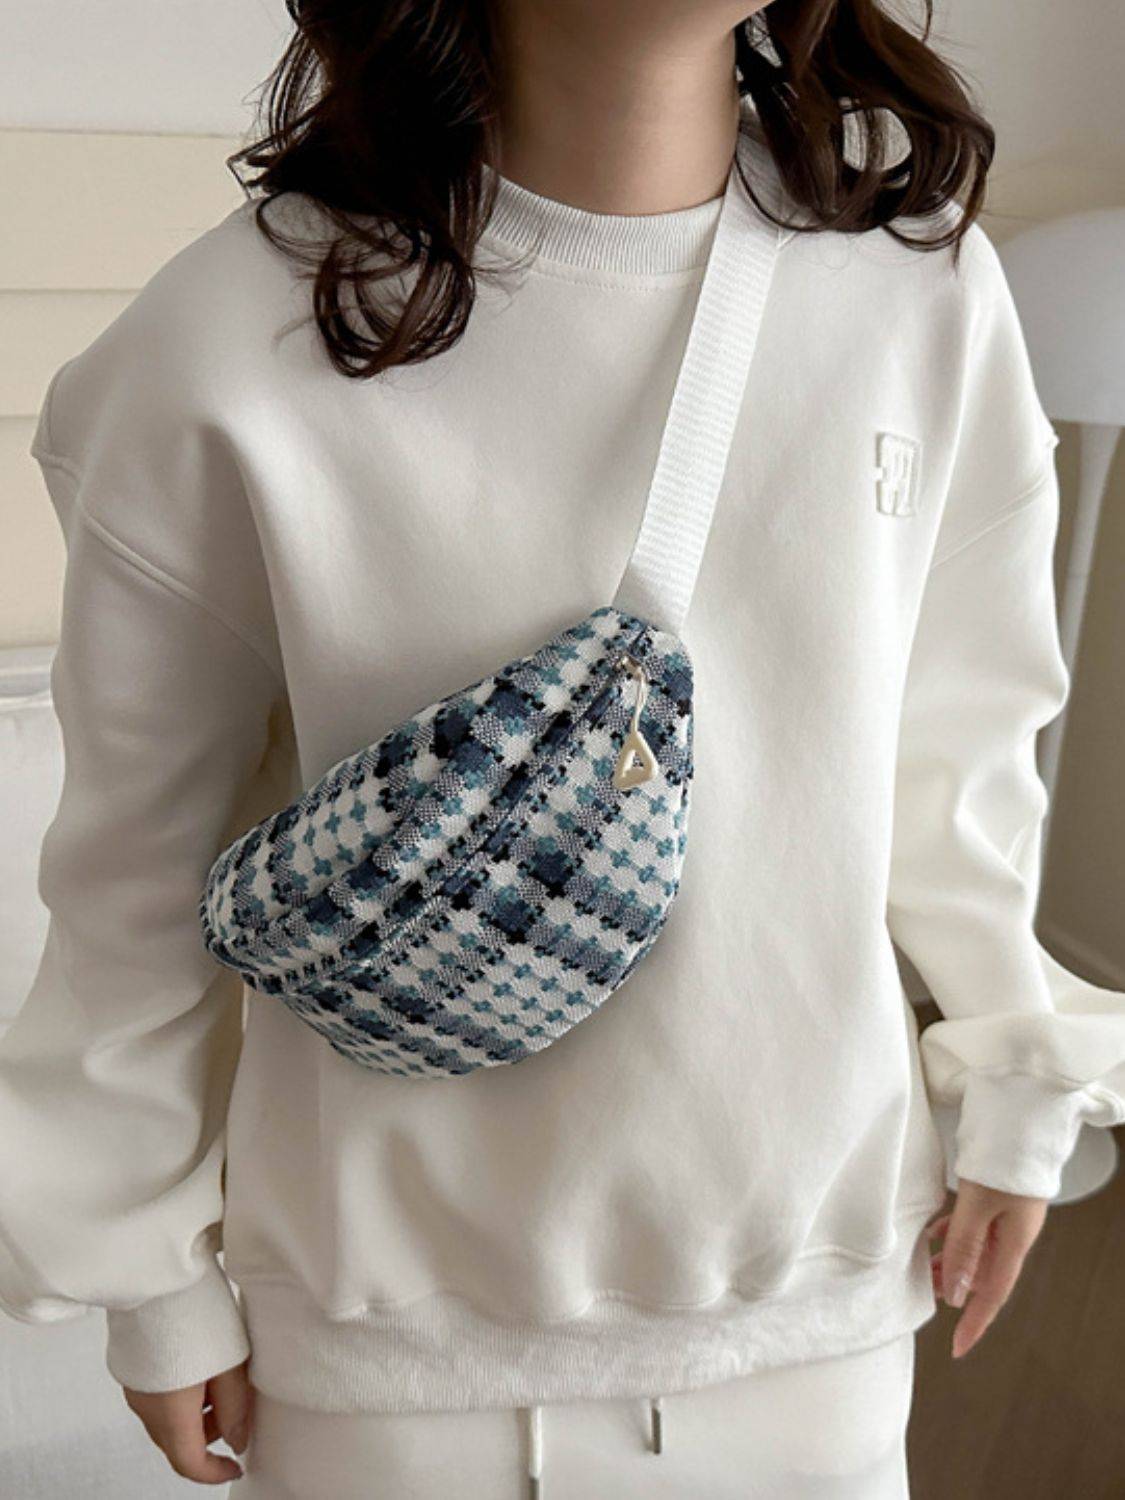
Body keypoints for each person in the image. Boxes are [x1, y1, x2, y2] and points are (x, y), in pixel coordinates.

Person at [3, 2, 1124, 1496]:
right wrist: (143, 1269)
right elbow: (136, 874)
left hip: (822, 1304)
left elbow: (957, 761)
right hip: (385, 1355)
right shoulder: (232, 334)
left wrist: (1016, 1084)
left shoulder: (918, 288)